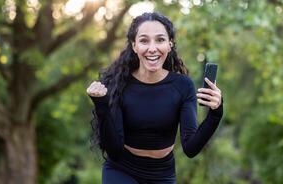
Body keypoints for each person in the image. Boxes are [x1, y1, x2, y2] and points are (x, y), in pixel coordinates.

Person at [86, 12, 223, 184]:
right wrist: (102, 106)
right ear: (134, 45)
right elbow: (114, 151)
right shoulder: (118, 85)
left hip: (162, 174)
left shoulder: (183, 86)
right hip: (121, 170)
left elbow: (191, 148)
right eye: (144, 40)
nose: (152, 48)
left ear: (170, 44)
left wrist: (216, 113)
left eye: (160, 40)